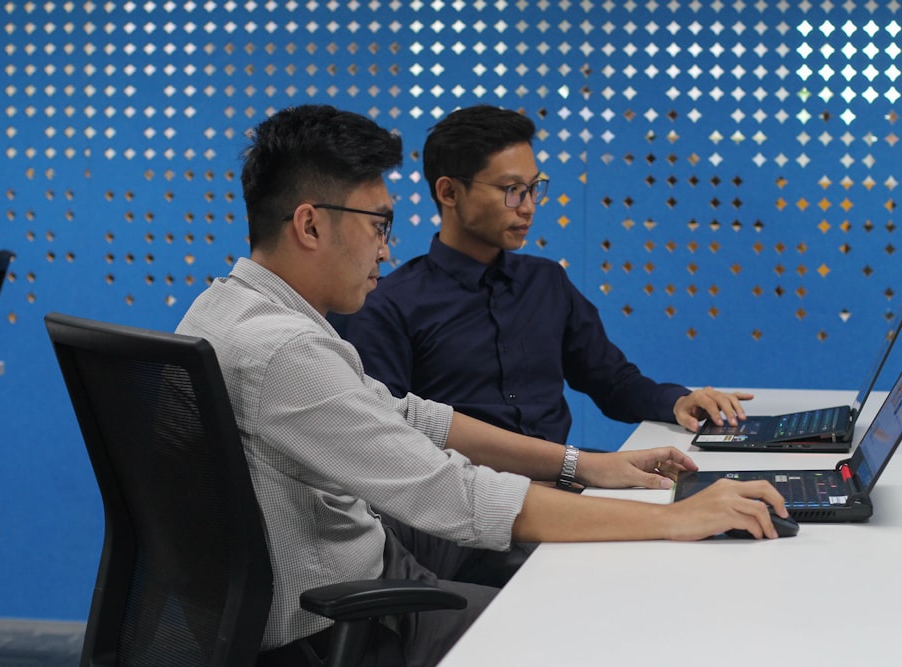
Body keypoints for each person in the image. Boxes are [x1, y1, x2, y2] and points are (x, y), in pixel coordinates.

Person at [176, 104, 788, 667]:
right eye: (378, 225)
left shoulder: (231, 310)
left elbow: (416, 417)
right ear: (309, 225)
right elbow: (450, 492)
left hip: (363, 576)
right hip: (345, 618)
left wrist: (585, 465)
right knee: (593, 632)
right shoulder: (288, 349)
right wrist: (675, 519)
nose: (385, 250)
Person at [345, 104, 752, 448]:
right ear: (449, 193)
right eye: (511, 189)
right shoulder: (389, 306)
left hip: (563, 483)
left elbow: (612, 382)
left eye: (533, 187)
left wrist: (678, 401)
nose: (527, 207)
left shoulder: (547, 283)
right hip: (469, 511)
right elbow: (391, 440)